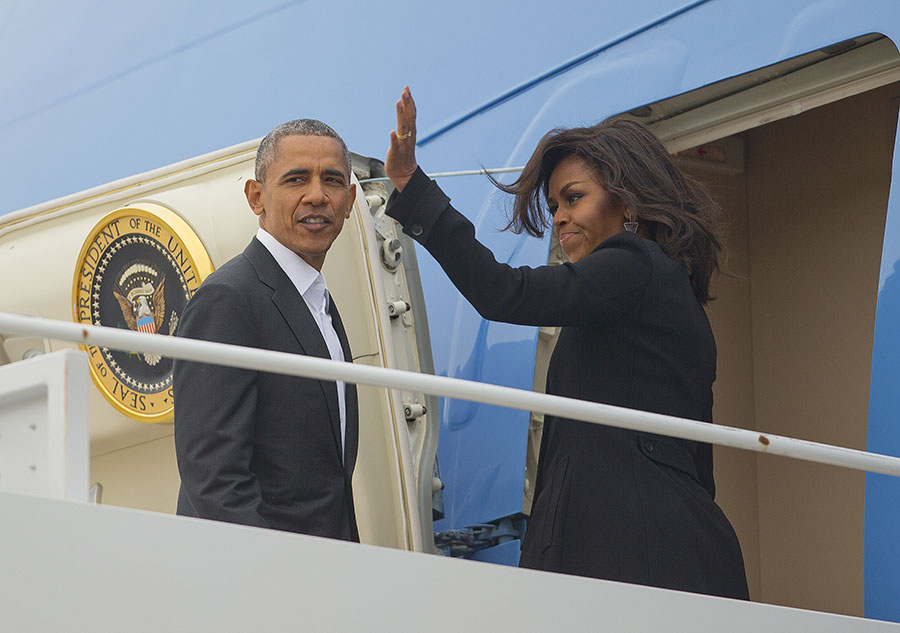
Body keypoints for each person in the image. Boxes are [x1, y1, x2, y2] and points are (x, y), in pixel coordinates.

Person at [385, 87, 748, 598]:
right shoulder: (658, 291)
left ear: (626, 200)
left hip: (633, 550)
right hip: (665, 549)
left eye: (573, 198)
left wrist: (413, 187)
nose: (557, 217)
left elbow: (504, 293)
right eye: (555, 204)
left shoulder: (634, 264)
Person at [173, 119, 359, 541]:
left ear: (349, 201)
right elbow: (213, 476)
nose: (317, 195)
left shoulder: (316, 300)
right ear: (255, 197)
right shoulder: (228, 300)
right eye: (296, 179)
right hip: (260, 570)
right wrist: (273, 569)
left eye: (332, 180)